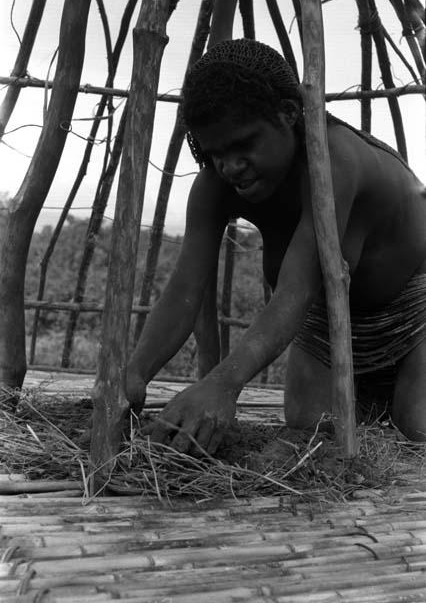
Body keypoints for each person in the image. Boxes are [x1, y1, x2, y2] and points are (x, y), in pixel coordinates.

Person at [126, 37, 426, 452]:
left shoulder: (335, 162)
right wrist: (132, 378)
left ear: (287, 114)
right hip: (328, 320)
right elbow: (185, 290)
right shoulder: (215, 185)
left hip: (417, 306)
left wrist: (223, 385)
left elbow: (297, 288)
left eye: (244, 145)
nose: (229, 165)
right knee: (309, 431)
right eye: (216, 153)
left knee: (418, 428)